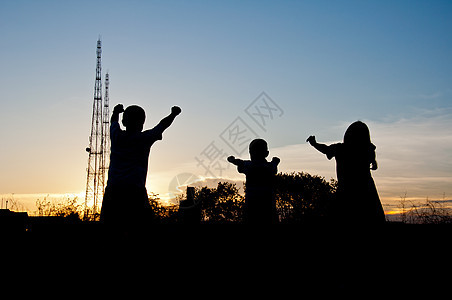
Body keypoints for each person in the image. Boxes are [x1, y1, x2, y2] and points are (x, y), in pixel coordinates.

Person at [100, 104, 182, 231]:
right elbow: (162, 125)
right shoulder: (145, 139)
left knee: (110, 231)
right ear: (142, 123)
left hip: (114, 192)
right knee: (141, 231)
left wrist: (116, 111)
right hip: (135, 193)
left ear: (124, 121)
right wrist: (173, 114)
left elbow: (113, 122)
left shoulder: (116, 136)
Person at [306, 121, 385, 224]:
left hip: (346, 191)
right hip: (365, 190)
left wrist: (314, 144)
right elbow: (372, 156)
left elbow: (326, 149)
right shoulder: (367, 149)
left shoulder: (341, 149)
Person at [227, 139, 280, 225]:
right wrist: (275, 161)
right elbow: (274, 166)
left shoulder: (248, 165)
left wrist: (232, 160)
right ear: (266, 154)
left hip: (251, 205)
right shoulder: (270, 166)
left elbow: (238, 162)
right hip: (267, 206)